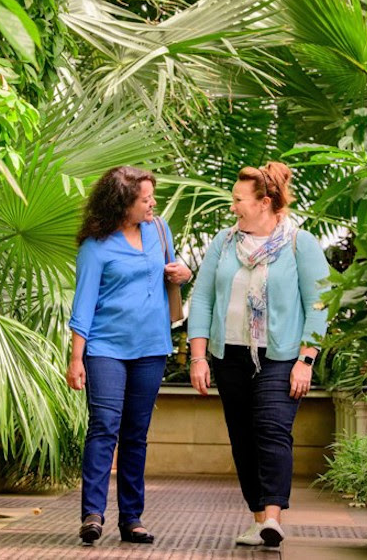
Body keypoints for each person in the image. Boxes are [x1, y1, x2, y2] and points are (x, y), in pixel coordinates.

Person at [187, 162, 329, 548]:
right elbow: (201, 298)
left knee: (271, 429)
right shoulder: (225, 242)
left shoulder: (301, 244)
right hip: (228, 354)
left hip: (280, 356)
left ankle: (273, 516)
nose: (233, 206)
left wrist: (305, 360)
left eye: (238, 200)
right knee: (242, 438)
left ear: (264, 202)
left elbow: (319, 305)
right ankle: (257, 519)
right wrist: (198, 357)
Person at [66, 166, 191, 545]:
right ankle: (92, 514)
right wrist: (76, 359)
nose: (153, 202)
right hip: (105, 348)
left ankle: (131, 518)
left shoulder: (159, 230)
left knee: (136, 434)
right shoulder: (96, 246)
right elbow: (83, 305)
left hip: (152, 347)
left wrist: (183, 273)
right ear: (123, 204)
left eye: (152, 196)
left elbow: (173, 272)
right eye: (145, 199)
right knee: (104, 426)